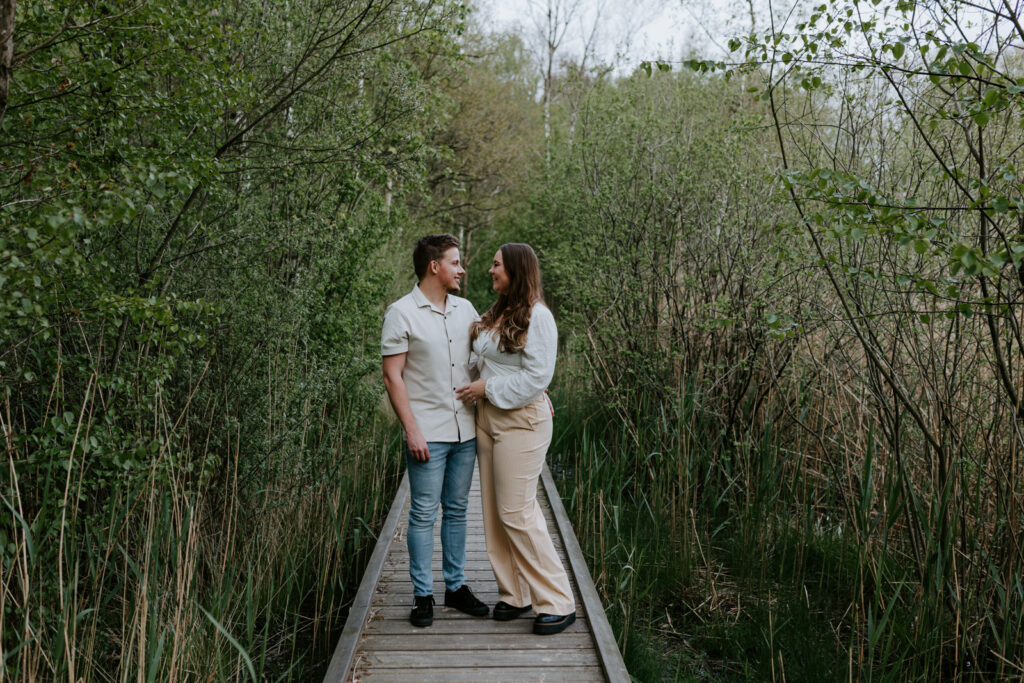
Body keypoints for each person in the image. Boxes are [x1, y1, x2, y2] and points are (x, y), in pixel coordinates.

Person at [455, 243, 576, 636]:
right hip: (487, 419)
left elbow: (537, 378)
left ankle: (557, 600)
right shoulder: (496, 313)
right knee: (492, 514)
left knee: (516, 512)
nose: (490, 271)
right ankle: (514, 594)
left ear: (517, 270)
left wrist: (487, 388)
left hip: (521, 421)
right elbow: (483, 362)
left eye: (497, 265)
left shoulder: (539, 317)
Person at [381, 233, 490, 627]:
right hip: (427, 432)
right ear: (434, 266)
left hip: (465, 430)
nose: (461, 269)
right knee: (424, 514)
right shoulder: (401, 313)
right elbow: (393, 377)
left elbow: (484, 360)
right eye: (455, 262)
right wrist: (411, 430)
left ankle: (456, 588)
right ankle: (422, 596)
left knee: (458, 511)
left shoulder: (466, 309)